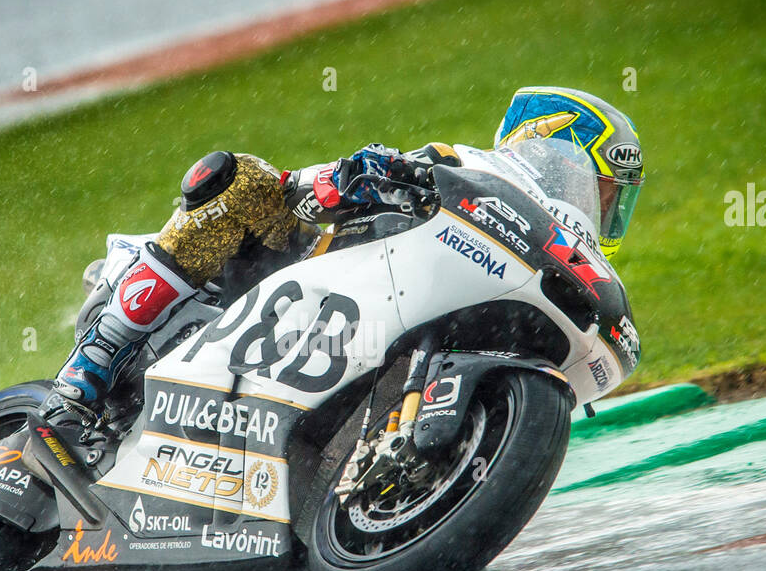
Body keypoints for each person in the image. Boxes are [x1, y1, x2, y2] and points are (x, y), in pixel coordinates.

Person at [42, 86, 644, 423]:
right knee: (245, 182)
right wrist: (353, 176)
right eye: (605, 189)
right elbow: (308, 190)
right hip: (294, 277)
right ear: (553, 148)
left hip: (346, 339)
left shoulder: (538, 249)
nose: (606, 207)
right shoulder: (464, 162)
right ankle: (89, 367)